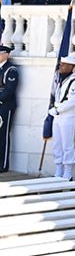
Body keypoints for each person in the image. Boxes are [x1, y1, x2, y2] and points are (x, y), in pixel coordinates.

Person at [48, 56, 75, 179]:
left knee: (67, 144)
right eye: (61, 64)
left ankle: (68, 172)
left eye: (63, 65)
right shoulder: (61, 80)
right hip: (58, 115)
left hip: (68, 116)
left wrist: (58, 109)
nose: (60, 67)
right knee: (57, 143)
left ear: (70, 67)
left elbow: (72, 101)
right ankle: (58, 169)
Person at [0, 43, 16, 172]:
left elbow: (9, 91)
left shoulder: (11, 70)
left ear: (6, 55)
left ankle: (3, 165)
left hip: (5, 106)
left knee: (3, 134)